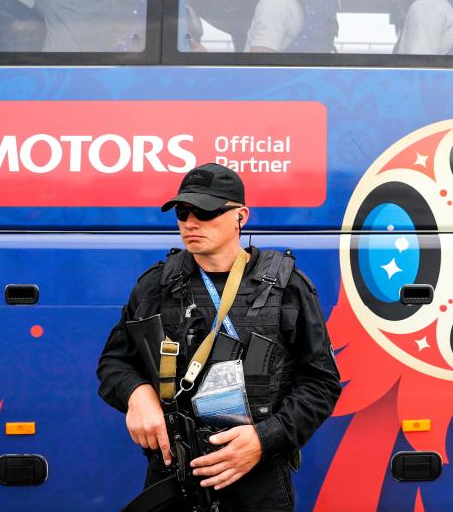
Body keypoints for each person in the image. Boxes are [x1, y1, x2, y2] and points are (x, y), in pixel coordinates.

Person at [97, 163, 341, 511]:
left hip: (257, 475)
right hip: (174, 472)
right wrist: (136, 393)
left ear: (241, 216)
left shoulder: (288, 287)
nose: (191, 222)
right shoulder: (156, 285)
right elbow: (114, 362)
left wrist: (263, 438)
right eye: (183, 211)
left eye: (206, 211)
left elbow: (321, 383)